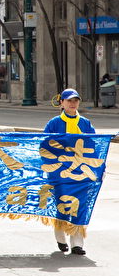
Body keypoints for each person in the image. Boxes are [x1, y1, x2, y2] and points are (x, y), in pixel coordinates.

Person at [43, 88, 94, 256]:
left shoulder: (85, 123)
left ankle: (77, 243)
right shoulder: (54, 123)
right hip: (60, 173)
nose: (73, 103)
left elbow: (94, 147)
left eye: (75, 100)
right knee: (62, 205)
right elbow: (44, 148)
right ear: (62, 103)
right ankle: (60, 237)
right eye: (69, 101)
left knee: (80, 206)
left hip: (81, 172)